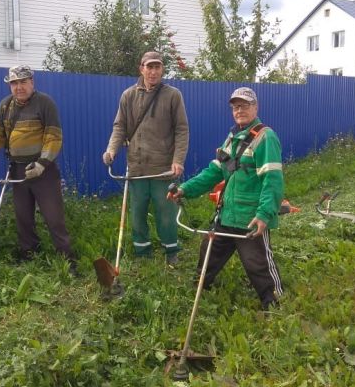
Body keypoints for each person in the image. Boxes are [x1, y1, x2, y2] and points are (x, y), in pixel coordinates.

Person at [167, 87, 284, 310]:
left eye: (245, 105)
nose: (240, 110)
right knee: (208, 253)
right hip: (226, 213)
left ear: (255, 107)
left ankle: (276, 302)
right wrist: (184, 189)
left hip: (249, 219)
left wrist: (264, 215)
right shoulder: (233, 137)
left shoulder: (265, 137)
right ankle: (200, 287)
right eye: (236, 106)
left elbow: (273, 181)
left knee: (258, 264)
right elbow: (214, 171)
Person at [0, 65, 78, 276]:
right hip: (17, 170)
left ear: (32, 82)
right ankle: (30, 257)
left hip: (43, 171)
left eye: (23, 82)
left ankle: (68, 262)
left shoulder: (45, 103)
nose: (19, 87)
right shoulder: (5, 106)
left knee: (54, 218)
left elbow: (54, 137)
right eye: (14, 83)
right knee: (23, 217)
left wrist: (42, 163)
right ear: (10, 85)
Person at [102, 51, 189, 265]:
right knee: (137, 213)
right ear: (141, 68)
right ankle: (143, 254)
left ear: (162, 69)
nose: (153, 71)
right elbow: (119, 126)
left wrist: (178, 160)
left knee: (166, 213)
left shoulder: (172, 95)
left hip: (163, 170)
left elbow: (181, 129)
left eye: (157, 67)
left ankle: (171, 253)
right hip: (137, 168)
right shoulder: (128, 96)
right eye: (149, 67)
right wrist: (111, 150)